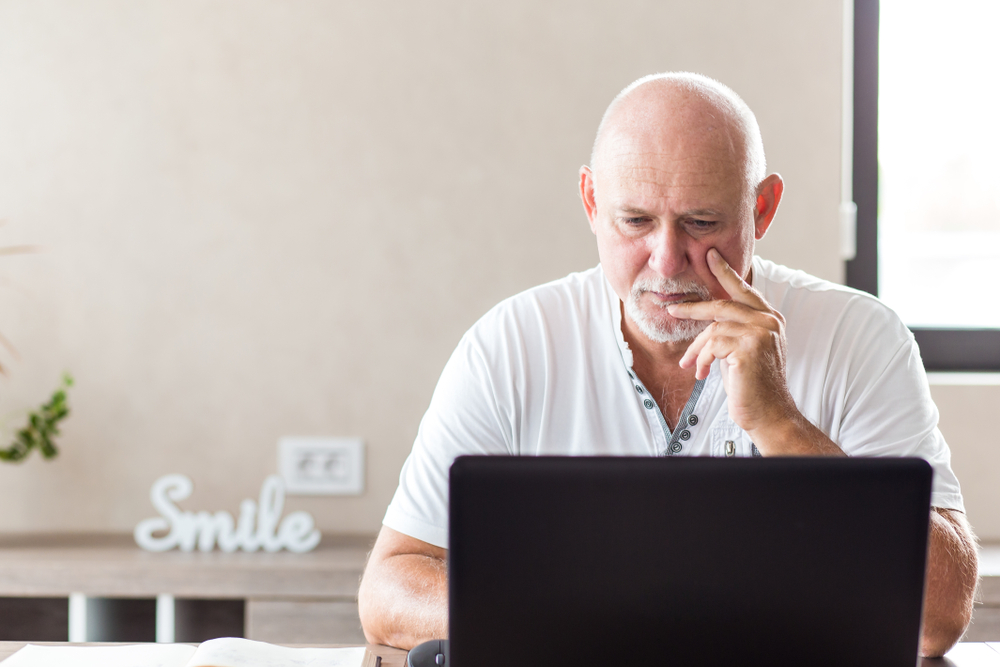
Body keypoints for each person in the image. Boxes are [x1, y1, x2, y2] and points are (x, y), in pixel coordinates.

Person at [357, 72, 978, 657]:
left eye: (701, 223)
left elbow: (938, 619)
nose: (666, 260)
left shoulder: (861, 338)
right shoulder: (511, 345)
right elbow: (389, 592)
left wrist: (783, 426)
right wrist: (590, 622)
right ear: (592, 202)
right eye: (635, 221)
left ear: (761, 210)